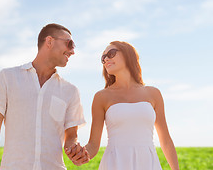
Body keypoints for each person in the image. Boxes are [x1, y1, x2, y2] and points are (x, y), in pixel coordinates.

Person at [0, 23, 86, 170]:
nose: (73, 51)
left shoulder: (71, 91)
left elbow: (71, 136)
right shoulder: (8, 78)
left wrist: (75, 152)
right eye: (69, 44)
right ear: (49, 41)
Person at [66, 41, 179, 170]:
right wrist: (81, 155)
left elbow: (165, 140)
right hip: (114, 163)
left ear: (128, 55)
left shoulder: (153, 93)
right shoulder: (101, 97)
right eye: (103, 58)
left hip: (148, 163)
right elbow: (93, 145)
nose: (106, 59)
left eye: (111, 53)